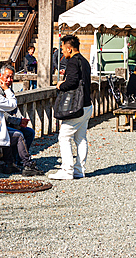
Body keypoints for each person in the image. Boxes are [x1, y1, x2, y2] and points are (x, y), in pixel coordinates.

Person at [50, 34, 92, 180]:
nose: (62, 52)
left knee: (64, 137)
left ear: (69, 48)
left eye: (63, 49)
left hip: (77, 107)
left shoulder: (73, 62)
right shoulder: (84, 61)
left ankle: (67, 170)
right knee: (81, 138)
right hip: (87, 104)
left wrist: (61, 84)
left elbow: (73, 82)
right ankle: (79, 170)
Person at [0, 65, 42, 175]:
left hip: (9, 123)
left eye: (11, 77)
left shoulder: (8, 89)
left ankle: (17, 159)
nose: (9, 80)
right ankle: (23, 163)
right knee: (18, 134)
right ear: (0, 76)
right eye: (7, 77)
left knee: (29, 132)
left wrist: (21, 119)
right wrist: (17, 121)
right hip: (0, 125)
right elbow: (2, 114)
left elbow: (14, 108)